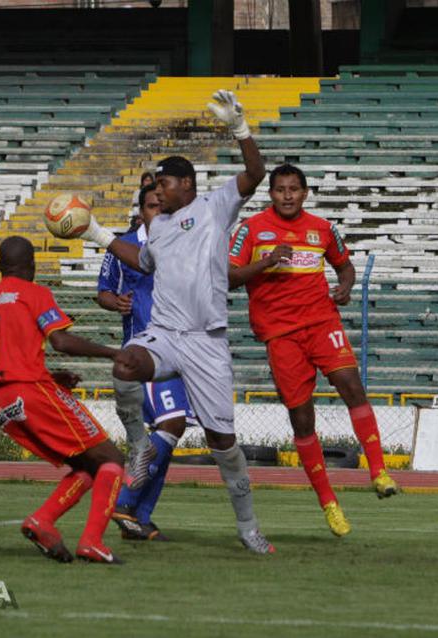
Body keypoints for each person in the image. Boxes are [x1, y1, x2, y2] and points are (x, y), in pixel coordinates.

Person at [76, 90, 276, 554]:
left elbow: (256, 175)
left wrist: (240, 129)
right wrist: (98, 234)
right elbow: (142, 262)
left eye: (162, 185)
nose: (157, 192)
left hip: (206, 342)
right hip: (165, 335)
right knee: (125, 363)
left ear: (184, 183)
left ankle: (247, 526)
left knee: (224, 444)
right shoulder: (159, 228)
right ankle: (138, 442)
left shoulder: (213, 207)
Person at [228, 163, 399, 537]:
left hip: (323, 323)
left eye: (294, 189)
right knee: (302, 420)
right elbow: (228, 277)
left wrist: (347, 287)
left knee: (352, 387)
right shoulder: (251, 230)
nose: (287, 195)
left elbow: (345, 266)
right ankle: (329, 503)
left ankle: (379, 471)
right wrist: (269, 260)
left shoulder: (322, 229)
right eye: (280, 189)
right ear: (270, 194)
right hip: (281, 336)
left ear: (305, 193)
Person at [0, 236, 126, 564]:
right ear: (32, 266)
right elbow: (61, 341)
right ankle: (92, 542)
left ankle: (42, 521)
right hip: (31, 391)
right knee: (111, 458)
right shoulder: (34, 293)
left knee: (86, 466)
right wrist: (112, 353)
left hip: (3, 404)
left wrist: (51, 379)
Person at [97, 184, 198, 542]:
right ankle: (124, 502)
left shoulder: (181, 241)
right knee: (171, 424)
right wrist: (115, 303)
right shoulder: (125, 244)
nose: (160, 213)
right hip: (144, 351)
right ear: (141, 211)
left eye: (164, 206)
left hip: (179, 349)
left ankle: (138, 516)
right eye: (154, 207)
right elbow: (103, 289)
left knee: (165, 437)